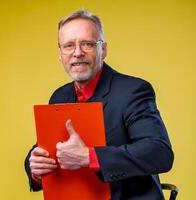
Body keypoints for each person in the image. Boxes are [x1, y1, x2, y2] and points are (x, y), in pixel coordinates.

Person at [24, 9, 174, 199]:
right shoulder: (59, 96)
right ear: (61, 55)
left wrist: (89, 157)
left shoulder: (134, 90)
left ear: (103, 49)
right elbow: (44, 148)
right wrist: (36, 169)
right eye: (69, 46)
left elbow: (159, 153)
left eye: (87, 44)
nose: (77, 53)